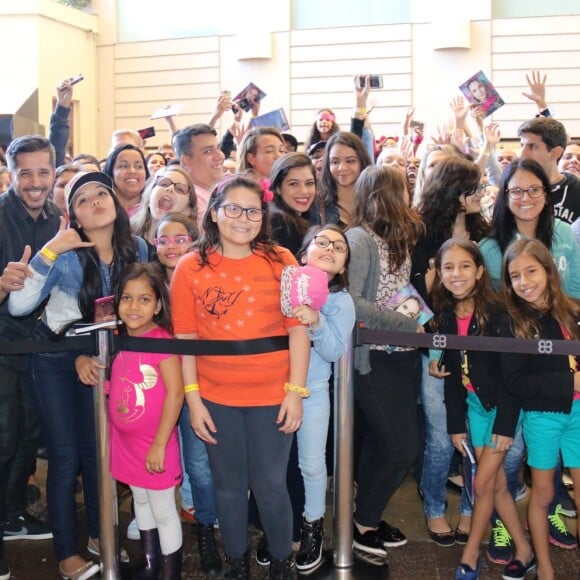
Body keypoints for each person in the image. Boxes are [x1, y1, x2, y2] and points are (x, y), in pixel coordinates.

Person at [8, 171, 148, 580]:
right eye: (82, 199)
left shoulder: (136, 248)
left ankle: (99, 535)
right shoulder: (65, 254)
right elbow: (19, 307)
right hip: (53, 359)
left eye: (101, 193)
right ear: (74, 216)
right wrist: (49, 250)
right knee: (66, 458)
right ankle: (67, 552)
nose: (95, 202)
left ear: (116, 202)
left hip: (105, 361)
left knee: (98, 456)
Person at [170, 174, 310, 579]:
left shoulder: (282, 260)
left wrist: (295, 392)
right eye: (233, 208)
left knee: (270, 486)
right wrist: (193, 400)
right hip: (215, 398)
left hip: (274, 396)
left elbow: (298, 330)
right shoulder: (190, 267)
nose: (243, 218)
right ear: (214, 212)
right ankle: (236, 562)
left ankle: (282, 562)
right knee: (228, 487)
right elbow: (185, 340)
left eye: (252, 210)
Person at [480, 158, 580, 554]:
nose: (525, 198)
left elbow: (572, 288)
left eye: (533, 189)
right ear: (504, 197)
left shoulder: (564, 235)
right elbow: (488, 310)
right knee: (510, 448)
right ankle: (504, 523)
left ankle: (552, 505)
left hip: (559, 349)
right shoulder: (490, 246)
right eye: (516, 191)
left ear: (546, 193)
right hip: (510, 359)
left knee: (550, 448)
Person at [429, 240, 534, 580]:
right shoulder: (445, 314)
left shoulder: (501, 312)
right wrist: (455, 424)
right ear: (440, 272)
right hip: (474, 408)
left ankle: (471, 552)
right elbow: (452, 377)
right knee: (497, 484)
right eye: (448, 267)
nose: (456, 274)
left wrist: (505, 427)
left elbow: (514, 379)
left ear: (478, 271)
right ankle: (525, 549)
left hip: (504, 409)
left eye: (463, 266)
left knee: (482, 482)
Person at [345, 165, 424, 559]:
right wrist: (406, 325)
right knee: (401, 445)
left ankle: (367, 518)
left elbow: (398, 291)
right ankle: (362, 524)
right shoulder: (358, 240)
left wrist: (415, 323)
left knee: (385, 442)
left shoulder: (396, 238)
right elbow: (353, 302)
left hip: (403, 358)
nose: (405, 199)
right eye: (399, 191)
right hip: (372, 359)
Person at [411, 156, 489, 547]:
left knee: (478, 437)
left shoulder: (486, 231)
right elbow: (414, 298)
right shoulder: (422, 234)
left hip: (481, 348)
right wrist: (435, 346)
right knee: (441, 438)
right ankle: (434, 505)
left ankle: (473, 510)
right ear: (454, 192)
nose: (480, 194)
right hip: (437, 349)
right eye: (474, 188)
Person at [500, 238, 580, 580]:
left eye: (531, 271)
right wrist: (569, 382)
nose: (524, 282)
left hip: (577, 415)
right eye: (515, 276)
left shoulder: (573, 311)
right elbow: (517, 381)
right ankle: (545, 568)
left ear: (548, 270)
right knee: (543, 491)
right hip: (542, 417)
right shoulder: (512, 323)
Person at [0, 136, 60, 580]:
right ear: (11, 173)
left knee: (27, 439)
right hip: (2, 347)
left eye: (43, 172)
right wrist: (3, 285)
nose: (35, 182)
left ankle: (12, 514)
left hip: (44, 348)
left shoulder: (60, 219)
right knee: (2, 439)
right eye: (26, 173)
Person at [285, 225, 355, 572]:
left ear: (343, 266)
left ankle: (314, 527)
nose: (329, 248)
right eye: (322, 242)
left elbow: (332, 352)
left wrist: (316, 322)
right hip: (271, 388)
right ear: (303, 253)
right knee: (276, 468)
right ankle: (279, 528)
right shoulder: (286, 289)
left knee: (312, 465)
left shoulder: (341, 302)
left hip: (313, 392)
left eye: (339, 246)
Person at [109, 263, 184, 579]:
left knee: (164, 509)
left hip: (155, 444)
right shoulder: (118, 339)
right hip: (125, 444)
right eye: (126, 298)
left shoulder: (161, 341)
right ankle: (152, 562)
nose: (133, 307)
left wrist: (159, 444)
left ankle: (170, 572)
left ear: (157, 305)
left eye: (143, 299)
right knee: (139, 498)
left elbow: (175, 393)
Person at [518, 117, 580, 225]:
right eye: (522, 145)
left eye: (532, 146)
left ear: (556, 152)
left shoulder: (576, 190)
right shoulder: (514, 189)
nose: (522, 154)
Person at [173, 124, 225, 224]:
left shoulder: (216, 192)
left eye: (218, 148)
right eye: (208, 151)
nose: (220, 156)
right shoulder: (187, 200)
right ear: (186, 161)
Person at [131, 166, 197, 244]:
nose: (170, 188)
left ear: (187, 210)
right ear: (149, 199)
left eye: (180, 189)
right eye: (164, 183)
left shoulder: (195, 250)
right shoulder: (124, 235)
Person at [269, 152, 318, 255]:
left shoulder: (305, 218)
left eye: (309, 183)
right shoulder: (280, 222)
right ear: (277, 188)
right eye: (294, 184)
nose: (304, 191)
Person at [319, 131, 372, 227]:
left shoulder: (376, 202)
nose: (342, 168)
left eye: (350, 161)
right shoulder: (317, 206)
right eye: (335, 162)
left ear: (362, 162)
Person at [103, 143, 150, 217]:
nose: (132, 171)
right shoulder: (102, 210)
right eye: (124, 166)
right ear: (111, 173)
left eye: (138, 166)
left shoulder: (154, 210)